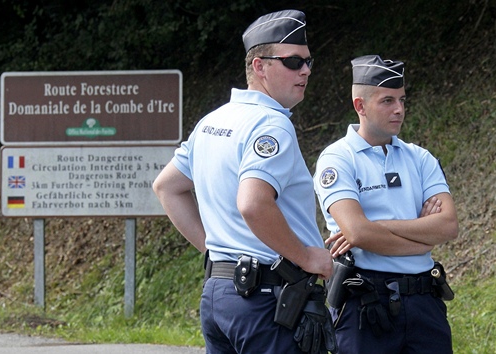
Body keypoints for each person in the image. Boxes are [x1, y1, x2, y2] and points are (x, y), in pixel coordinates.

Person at [153, 9, 334, 354]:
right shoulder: (271, 125)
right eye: (294, 62)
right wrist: (308, 258)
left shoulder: (213, 121)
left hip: (220, 294)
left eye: (309, 61)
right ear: (260, 66)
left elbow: (167, 187)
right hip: (266, 301)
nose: (306, 70)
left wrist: (215, 251)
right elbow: (253, 203)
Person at [313, 55, 459, 354]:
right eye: (388, 101)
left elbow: (448, 225)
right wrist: (420, 238)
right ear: (360, 106)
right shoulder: (338, 159)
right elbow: (357, 234)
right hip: (365, 304)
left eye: (402, 100)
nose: (399, 109)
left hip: (424, 302)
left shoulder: (420, 158)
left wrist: (377, 226)